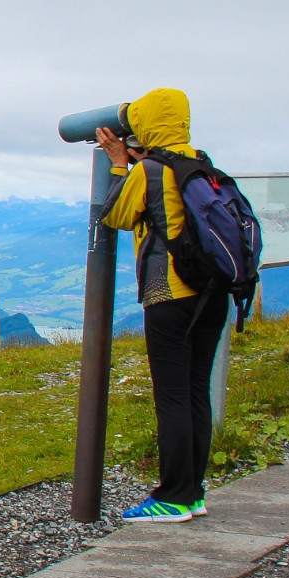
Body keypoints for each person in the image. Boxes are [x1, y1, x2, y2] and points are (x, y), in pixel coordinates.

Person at [95, 88, 230, 523]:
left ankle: (172, 497)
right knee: (195, 393)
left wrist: (119, 164)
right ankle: (193, 493)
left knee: (171, 396)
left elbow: (115, 215)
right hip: (214, 294)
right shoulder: (202, 163)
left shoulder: (149, 169)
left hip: (169, 293)